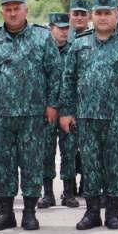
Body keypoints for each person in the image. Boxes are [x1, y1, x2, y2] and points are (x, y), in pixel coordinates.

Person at [0, 0, 62, 232]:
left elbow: (55, 73)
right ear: (2, 12)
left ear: (26, 10)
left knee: (32, 162)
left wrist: (53, 104)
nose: (12, 13)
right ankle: (5, 214)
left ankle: (30, 213)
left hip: (33, 114)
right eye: (8, 9)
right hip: (0, 114)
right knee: (3, 163)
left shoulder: (42, 37)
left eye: (17, 8)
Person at [59, 0, 118, 230]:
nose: (103, 17)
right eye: (99, 13)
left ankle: (113, 213)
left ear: (117, 15)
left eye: (108, 13)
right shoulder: (79, 44)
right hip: (86, 117)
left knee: (115, 165)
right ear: (91, 16)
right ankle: (92, 212)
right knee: (90, 165)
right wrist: (66, 112)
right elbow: (68, 80)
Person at [38, 13, 79, 210]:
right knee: (46, 151)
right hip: (46, 110)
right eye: (59, 27)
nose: (64, 31)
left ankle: (68, 192)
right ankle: (47, 194)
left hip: (69, 110)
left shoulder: (74, 50)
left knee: (69, 151)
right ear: (50, 28)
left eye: (66, 28)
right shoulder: (42, 50)